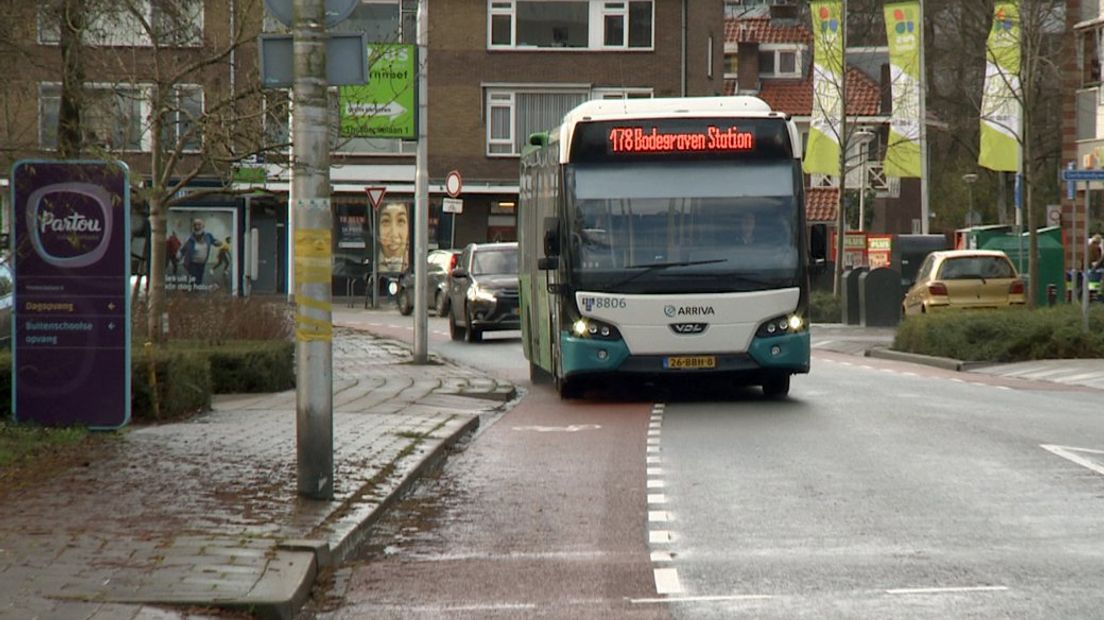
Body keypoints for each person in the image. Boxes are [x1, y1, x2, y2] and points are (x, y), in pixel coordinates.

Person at [178, 218, 222, 286]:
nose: (197, 227)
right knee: (194, 280)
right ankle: (192, 292)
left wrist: (218, 243)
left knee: (199, 279)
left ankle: (196, 291)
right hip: (192, 263)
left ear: (203, 226)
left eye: (199, 225)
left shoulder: (208, 236)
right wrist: (179, 255)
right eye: (195, 225)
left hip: (202, 263)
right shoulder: (189, 238)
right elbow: (183, 249)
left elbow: (214, 241)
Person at [378, 202, 410, 273]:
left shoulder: (420, 270)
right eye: (386, 221)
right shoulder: (369, 269)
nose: (394, 233)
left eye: (401, 221)